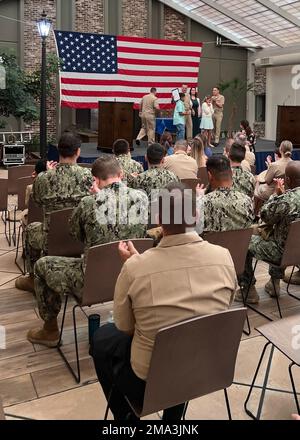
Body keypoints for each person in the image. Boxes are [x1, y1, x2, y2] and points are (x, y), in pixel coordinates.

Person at [90, 181, 237, 420]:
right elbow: (221, 310)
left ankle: (125, 419)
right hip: (204, 368)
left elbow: (125, 327)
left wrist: (134, 266)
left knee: (102, 339)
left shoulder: (135, 268)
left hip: (150, 380)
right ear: (196, 214)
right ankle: (172, 420)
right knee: (187, 332)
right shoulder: (224, 257)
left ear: (158, 217)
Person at [27, 155, 148, 347]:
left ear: (96, 180)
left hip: (92, 283)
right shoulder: (142, 197)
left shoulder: (89, 203)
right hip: (131, 275)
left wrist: (95, 198)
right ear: (121, 174)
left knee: (43, 265)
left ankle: (50, 330)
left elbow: (75, 234)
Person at [15, 131, 93, 294]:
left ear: (59, 151)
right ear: (78, 151)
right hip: (80, 237)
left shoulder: (43, 178)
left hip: (51, 237)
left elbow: (35, 202)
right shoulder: (88, 176)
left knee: (30, 230)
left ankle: (32, 277)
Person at [237, 161, 300, 303]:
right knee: (281, 235)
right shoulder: (288, 199)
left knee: (244, 242)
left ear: (288, 180)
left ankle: (248, 289)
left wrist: (276, 195)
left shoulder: (287, 200)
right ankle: (273, 283)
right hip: (295, 251)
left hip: (283, 253)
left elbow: (265, 216)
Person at [203, 156, 254, 233]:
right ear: (232, 173)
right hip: (242, 244)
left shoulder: (203, 202)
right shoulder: (247, 200)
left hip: (212, 244)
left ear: (209, 175)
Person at [20, 159, 48, 226]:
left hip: (34, 220)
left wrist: (35, 181)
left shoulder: (30, 188)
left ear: (35, 171)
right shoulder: (55, 188)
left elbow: (27, 204)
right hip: (50, 219)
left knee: (23, 214)